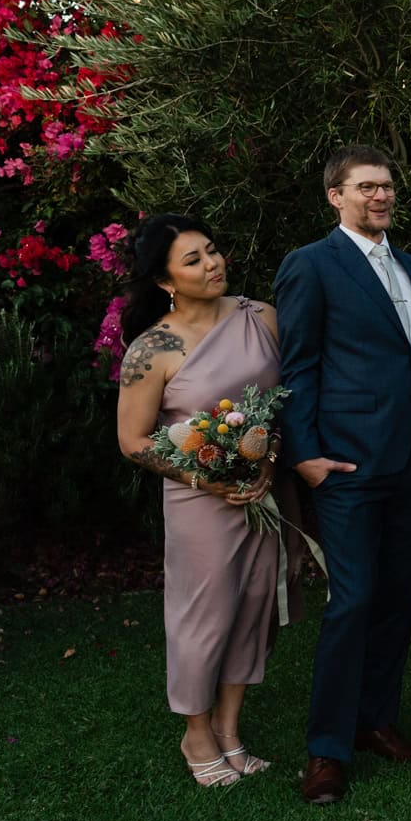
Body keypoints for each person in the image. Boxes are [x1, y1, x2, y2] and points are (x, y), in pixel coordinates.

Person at [275, 146, 411, 806]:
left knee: (398, 596)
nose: (380, 196)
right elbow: (296, 365)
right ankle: (326, 751)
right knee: (352, 600)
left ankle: (377, 719)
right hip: (346, 462)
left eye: (386, 186)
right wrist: (303, 455)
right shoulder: (311, 265)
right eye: (366, 187)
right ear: (335, 196)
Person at [114, 214, 291, 788]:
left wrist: (265, 460)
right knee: (202, 616)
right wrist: (205, 478)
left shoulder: (260, 316)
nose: (212, 263)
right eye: (193, 260)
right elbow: (133, 441)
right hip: (199, 502)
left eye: (212, 251)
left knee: (254, 607)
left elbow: (282, 400)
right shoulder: (152, 349)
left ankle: (231, 730)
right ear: (165, 281)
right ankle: (196, 733)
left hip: (261, 490)